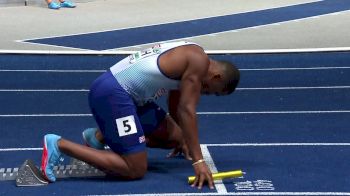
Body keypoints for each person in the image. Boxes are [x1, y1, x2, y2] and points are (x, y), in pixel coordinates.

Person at [41, 41, 240, 189]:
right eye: (214, 91)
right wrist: (198, 161)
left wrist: (185, 141)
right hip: (113, 93)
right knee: (135, 169)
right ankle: (59, 144)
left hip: (131, 99)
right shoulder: (198, 62)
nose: (207, 93)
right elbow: (187, 109)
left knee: (178, 138)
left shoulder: (193, 55)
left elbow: (176, 103)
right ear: (217, 77)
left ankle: (98, 136)